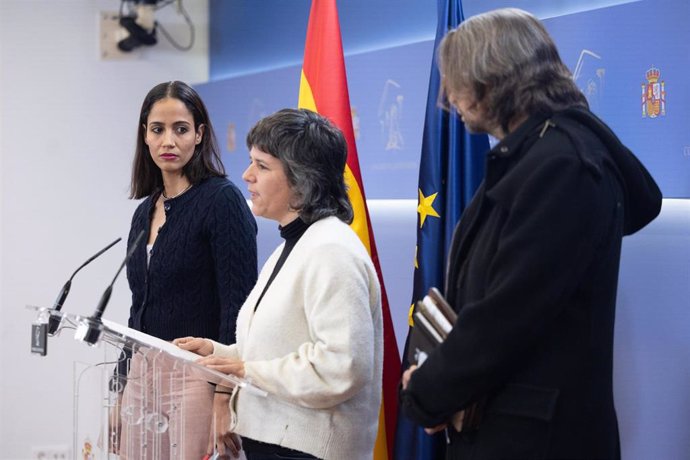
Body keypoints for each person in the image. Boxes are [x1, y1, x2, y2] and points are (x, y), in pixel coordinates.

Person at [399, 8, 662, 460]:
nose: (449, 97)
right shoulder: (536, 157)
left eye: (457, 79)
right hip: (506, 430)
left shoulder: (562, 165)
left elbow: (508, 315)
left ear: (493, 78)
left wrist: (429, 390)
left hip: (536, 442)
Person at [175, 108, 383, 460]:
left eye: (262, 165)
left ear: (302, 180)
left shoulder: (331, 250)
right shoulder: (294, 245)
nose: (247, 175)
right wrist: (220, 354)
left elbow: (342, 366)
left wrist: (246, 370)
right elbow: (278, 349)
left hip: (310, 451)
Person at [114, 81, 258, 459]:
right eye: (157, 129)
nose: (169, 141)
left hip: (197, 377)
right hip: (143, 375)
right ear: (144, 135)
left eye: (181, 129)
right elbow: (138, 310)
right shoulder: (145, 211)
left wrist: (224, 394)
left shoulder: (221, 201)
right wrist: (119, 389)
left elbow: (239, 307)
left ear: (199, 135)